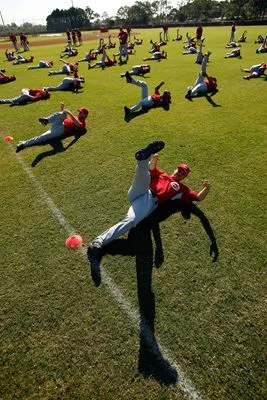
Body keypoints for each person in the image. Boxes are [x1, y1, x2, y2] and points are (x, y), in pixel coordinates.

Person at [87, 140, 211, 286]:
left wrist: (207, 188)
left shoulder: (182, 189)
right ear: (175, 168)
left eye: (183, 173)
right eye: (179, 169)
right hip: (141, 190)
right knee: (145, 175)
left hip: (148, 202)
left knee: (130, 221)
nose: (180, 172)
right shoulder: (162, 173)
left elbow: (197, 198)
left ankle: (98, 242)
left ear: (184, 177)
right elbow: (152, 169)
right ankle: (144, 157)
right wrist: (154, 159)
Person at [15, 102, 89, 152]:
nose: (79, 113)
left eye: (81, 112)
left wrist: (70, 113)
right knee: (63, 114)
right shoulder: (76, 117)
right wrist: (62, 108)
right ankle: (47, 120)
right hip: (59, 123)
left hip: (61, 129)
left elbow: (78, 125)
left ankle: (24, 144)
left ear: (85, 115)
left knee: (42, 137)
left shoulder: (83, 122)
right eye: (79, 111)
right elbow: (63, 116)